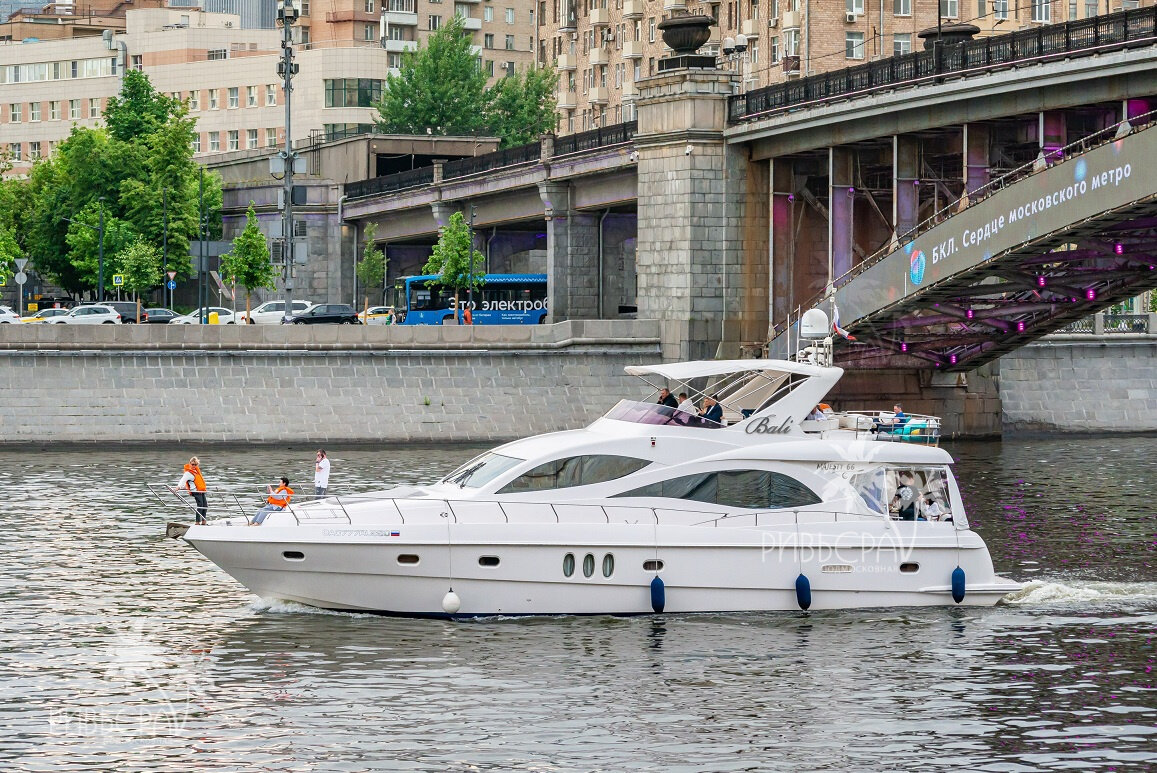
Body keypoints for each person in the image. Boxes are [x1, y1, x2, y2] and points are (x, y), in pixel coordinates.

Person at [176, 456, 208, 524]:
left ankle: (203, 520)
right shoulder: (188, 473)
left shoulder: (196, 471)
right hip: (195, 491)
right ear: (190, 463)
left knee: (205, 505)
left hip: (201, 491)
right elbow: (183, 480)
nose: (193, 466)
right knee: (200, 505)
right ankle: (197, 522)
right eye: (192, 464)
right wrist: (178, 487)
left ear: (197, 464)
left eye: (195, 464)